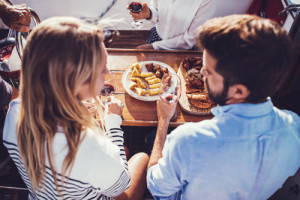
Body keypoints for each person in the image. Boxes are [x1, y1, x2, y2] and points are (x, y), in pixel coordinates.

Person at [146, 14, 300, 199]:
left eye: (209, 71)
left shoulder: (188, 140)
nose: (201, 72)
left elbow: (157, 189)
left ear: (239, 91)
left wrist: (163, 121)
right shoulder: (295, 127)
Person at [3, 16, 149, 200]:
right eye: (103, 69)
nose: (108, 73)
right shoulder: (88, 146)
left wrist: (75, 104)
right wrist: (113, 123)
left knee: (122, 152)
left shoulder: (15, 109)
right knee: (142, 158)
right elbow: (121, 186)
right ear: (78, 82)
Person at [128, 0, 215, 50]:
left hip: (182, 48)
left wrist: (154, 46)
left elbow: (190, 39)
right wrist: (149, 13)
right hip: (156, 35)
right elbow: (156, 9)